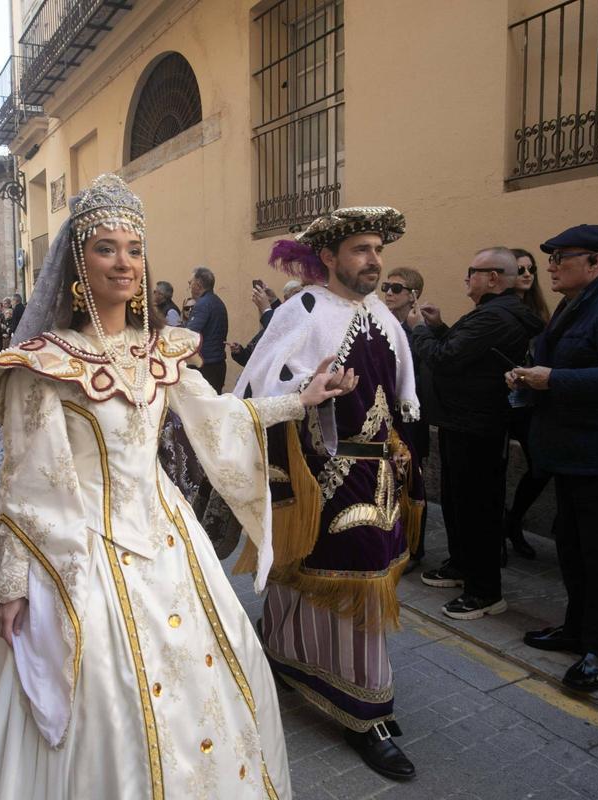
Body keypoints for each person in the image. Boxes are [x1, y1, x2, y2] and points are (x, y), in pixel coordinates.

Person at [0, 174, 356, 800]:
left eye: (134, 249)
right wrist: (14, 582)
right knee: (106, 689)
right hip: (83, 551)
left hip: (168, 538)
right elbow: (26, 482)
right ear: (79, 262)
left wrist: (299, 400)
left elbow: (217, 416)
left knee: (217, 668)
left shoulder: (163, 349)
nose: (125, 262)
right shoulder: (45, 363)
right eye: (107, 247)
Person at [237, 207, 423, 781]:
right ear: (330, 258)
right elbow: (257, 386)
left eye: (377, 249)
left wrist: (403, 447)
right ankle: (366, 711)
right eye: (362, 250)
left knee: (351, 576)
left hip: (380, 473)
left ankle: (289, 656)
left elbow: (402, 392)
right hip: (324, 475)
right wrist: (309, 390)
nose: (374, 260)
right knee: (350, 578)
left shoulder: (382, 316)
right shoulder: (304, 309)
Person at [509, 224, 598, 692]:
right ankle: (576, 630)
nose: (549, 266)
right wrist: (529, 380)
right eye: (548, 257)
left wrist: (551, 379)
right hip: (573, 454)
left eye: (559, 258)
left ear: (594, 263)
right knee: (572, 550)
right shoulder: (577, 304)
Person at [410, 248, 544, 620]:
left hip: (478, 427)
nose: (467, 278)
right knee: (456, 503)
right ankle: (461, 567)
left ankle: (485, 592)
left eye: (472, 271)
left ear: (493, 278)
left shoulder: (498, 316)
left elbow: (445, 357)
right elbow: (464, 348)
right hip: (459, 422)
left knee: (477, 509)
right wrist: (437, 327)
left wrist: (420, 331)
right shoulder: (489, 313)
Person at [503, 248, 552, 560]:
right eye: (520, 269)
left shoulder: (542, 315)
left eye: (530, 269)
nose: (527, 274)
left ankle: (513, 520)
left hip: (532, 403)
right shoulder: (498, 310)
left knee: (541, 466)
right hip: (503, 401)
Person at [381, 267, 432, 571]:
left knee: (412, 478)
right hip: (387, 416)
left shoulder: (418, 328)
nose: (388, 292)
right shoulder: (381, 323)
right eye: (386, 286)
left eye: (396, 289)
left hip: (411, 419)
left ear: (413, 295)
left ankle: (415, 547)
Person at [185, 266, 229, 391]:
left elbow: (190, 334)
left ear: (198, 285)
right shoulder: (217, 302)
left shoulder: (202, 304)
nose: (189, 287)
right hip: (217, 364)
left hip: (205, 366)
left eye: (190, 283)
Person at [229, 281, 281, 367]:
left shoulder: (285, 331)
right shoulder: (269, 327)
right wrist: (239, 352)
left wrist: (266, 310)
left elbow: (280, 330)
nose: (286, 303)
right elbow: (249, 358)